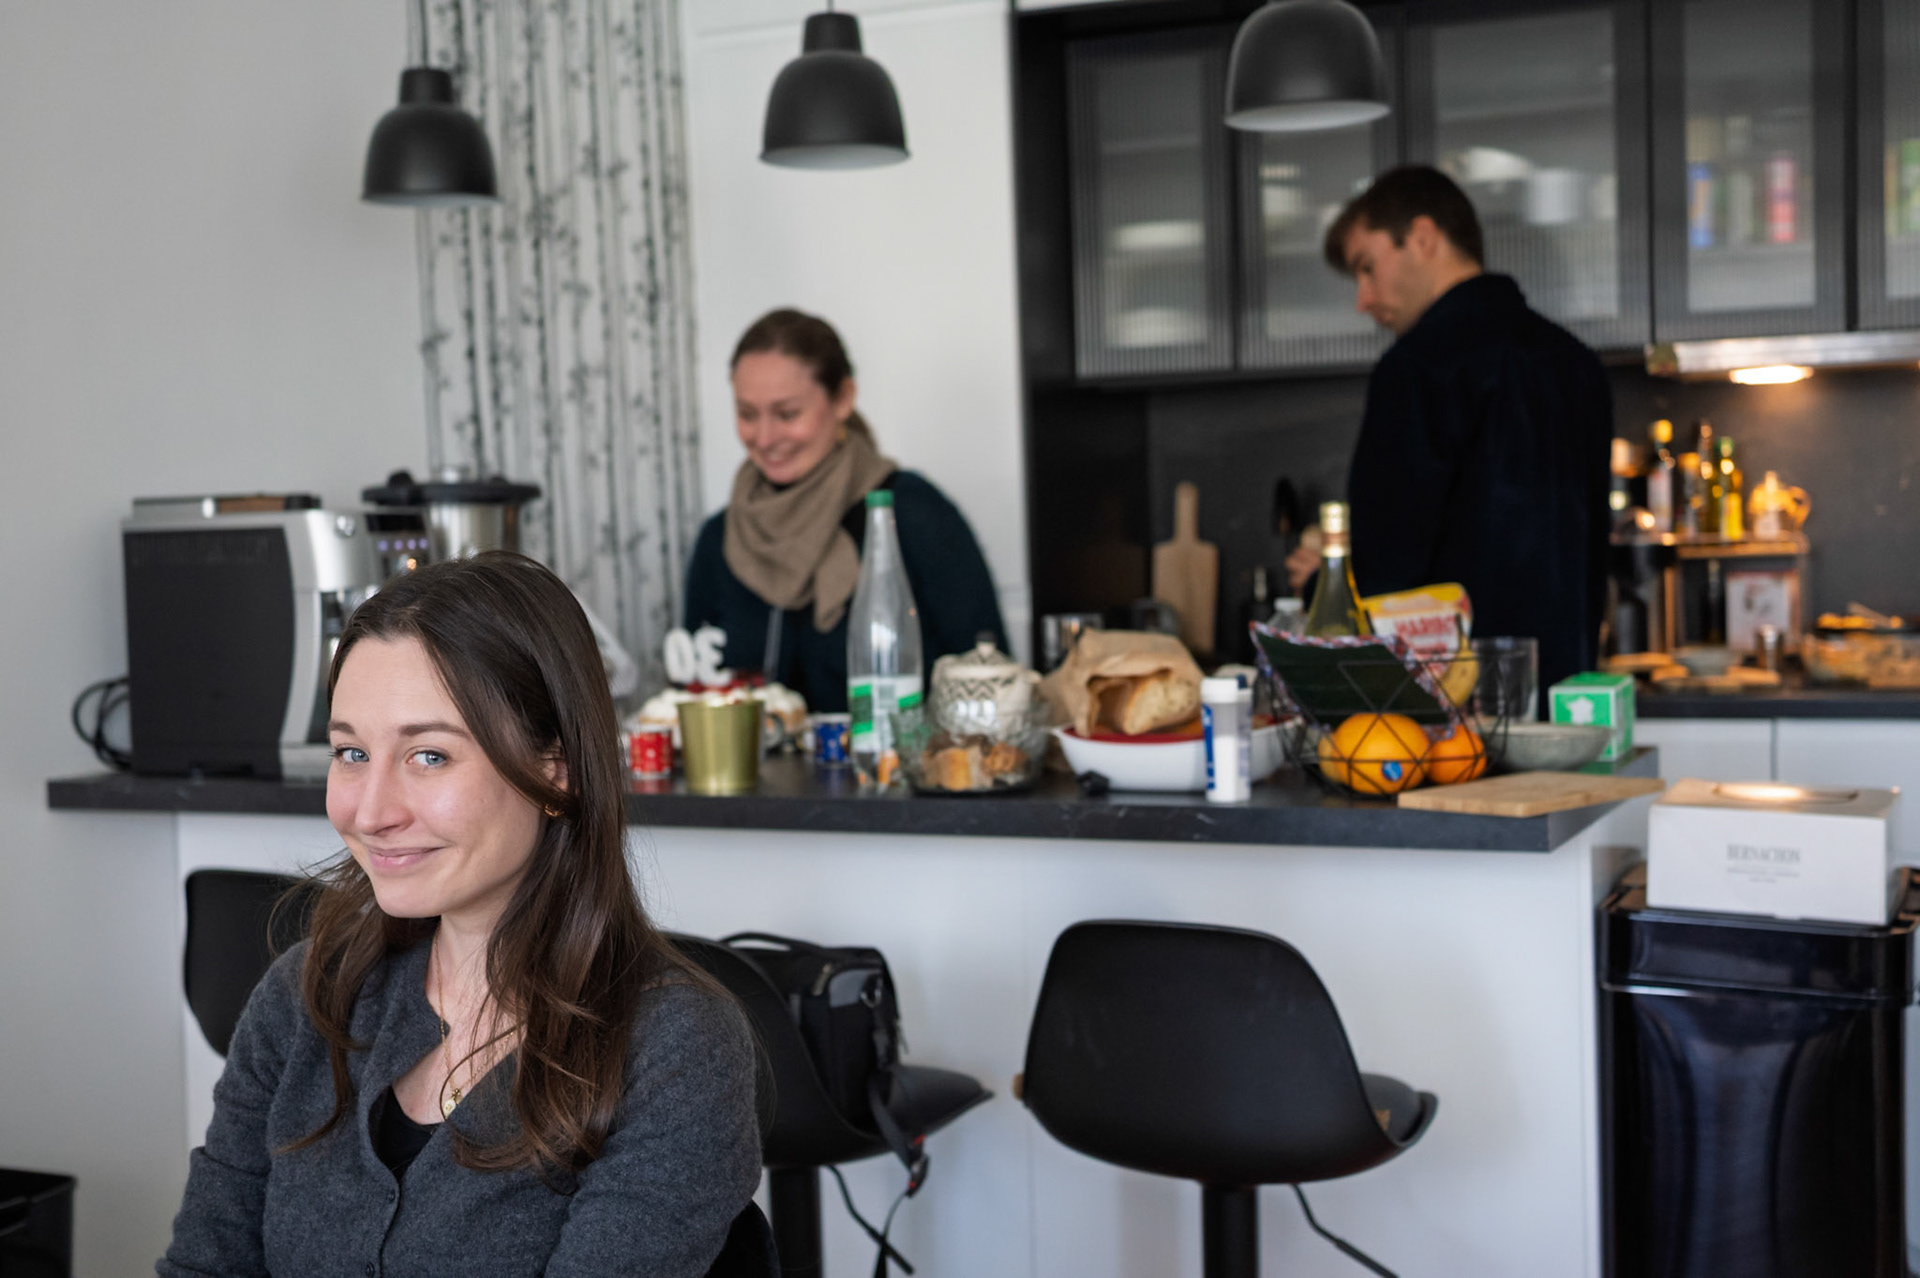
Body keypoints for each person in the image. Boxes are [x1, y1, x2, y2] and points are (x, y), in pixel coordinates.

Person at [158, 553, 761, 1277]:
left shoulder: (674, 1046)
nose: (370, 813)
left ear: (556, 769)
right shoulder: (304, 996)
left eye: (429, 757)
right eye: (351, 752)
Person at [1287, 165, 1612, 693]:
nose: (1362, 300)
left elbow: (1386, 570)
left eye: (1367, 268)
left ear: (1422, 237)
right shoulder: (1577, 364)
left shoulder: (1417, 368)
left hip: (1455, 713)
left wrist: (1321, 585)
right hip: (1573, 699)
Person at [684, 308, 1005, 712]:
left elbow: (991, 681)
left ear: (843, 399)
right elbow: (695, 693)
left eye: (787, 414)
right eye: (747, 414)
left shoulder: (912, 514)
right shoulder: (721, 539)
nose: (764, 438)